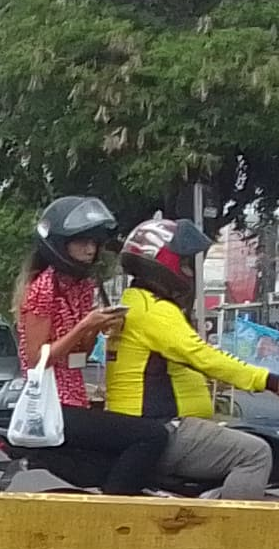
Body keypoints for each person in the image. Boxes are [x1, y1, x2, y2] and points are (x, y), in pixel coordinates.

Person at [107, 216, 279, 498]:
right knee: (256, 453)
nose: (190, 273)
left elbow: (186, 361)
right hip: (162, 428)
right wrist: (274, 382)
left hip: (148, 426)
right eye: (186, 264)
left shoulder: (136, 303)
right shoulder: (155, 312)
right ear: (165, 262)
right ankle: (228, 537)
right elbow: (204, 357)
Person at [12, 194, 177, 496]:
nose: (90, 250)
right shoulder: (42, 289)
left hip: (75, 399)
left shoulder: (82, 287)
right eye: (82, 242)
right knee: (152, 436)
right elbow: (35, 359)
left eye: (94, 243)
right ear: (61, 244)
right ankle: (114, 515)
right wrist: (85, 326)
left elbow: (78, 356)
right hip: (53, 404)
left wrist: (96, 331)